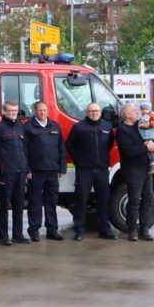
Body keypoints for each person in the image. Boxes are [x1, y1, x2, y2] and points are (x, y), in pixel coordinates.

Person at [67, 102, 116, 241]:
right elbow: (70, 144)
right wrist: (79, 160)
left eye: (96, 111)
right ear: (87, 113)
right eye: (91, 111)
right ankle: (79, 230)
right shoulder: (79, 127)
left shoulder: (107, 126)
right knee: (81, 200)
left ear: (100, 112)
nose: (94, 113)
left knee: (103, 200)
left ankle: (104, 229)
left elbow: (110, 144)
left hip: (102, 170)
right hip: (84, 170)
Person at [0, 100, 29, 245]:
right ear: (4, 112)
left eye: (15, 110)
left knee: (19, 204)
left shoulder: (20, 127)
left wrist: (27, 169)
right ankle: (4, 237)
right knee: (5, 205)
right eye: (10, 110)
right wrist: (2, 169)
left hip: (20, 171)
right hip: (7, 172)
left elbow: (25, 150)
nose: (13, 113)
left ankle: (18, 234)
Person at [24, 100, 65, 241]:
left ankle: (52, 230)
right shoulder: (28, 128)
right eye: (39, 110)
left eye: (44, 110)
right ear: (34, 111)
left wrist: (62, 167)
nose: (42, 113)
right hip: (36, 171)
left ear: (48, 111)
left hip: (53, 171)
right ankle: (34, 230)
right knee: (35, 202)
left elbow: (61, 148)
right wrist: (27, 169)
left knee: (52, 202)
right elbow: (24, 151)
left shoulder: (55, 126)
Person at [115, 104, 154, 241]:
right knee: (134, 200)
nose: (137, 112)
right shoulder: (122, 130)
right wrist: (145, 147)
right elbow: (128, 151)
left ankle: (144, 229)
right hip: (133, 169)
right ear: (127, 115)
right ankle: (132, 230)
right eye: (134, 111)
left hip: (147, 167)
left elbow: (152, 133)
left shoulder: (141, 124)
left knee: (148, 199)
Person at [137, 101, 154, 173]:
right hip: (148, 137)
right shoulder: (143, 117)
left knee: (149, 150)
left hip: (151, 137)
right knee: (152, 151)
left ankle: (152, 163)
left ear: (149, 109)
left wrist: (146, 125)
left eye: (146, 109)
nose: (144, 111)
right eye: (142, 109)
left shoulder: (151, 116)